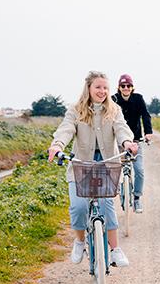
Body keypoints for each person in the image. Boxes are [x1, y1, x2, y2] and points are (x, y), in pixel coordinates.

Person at [47, 71, 139, 266]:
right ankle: (80, 241)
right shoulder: (76, 110)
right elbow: (66, 129)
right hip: (81, 164)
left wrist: (128, 143)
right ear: (88, 88)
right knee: (79, 206)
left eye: (105, 87)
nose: (102, 91)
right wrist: (57, 145)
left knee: (107, 207)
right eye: (98, 87)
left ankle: (115, 249)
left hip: (108, 163)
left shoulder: (114, 110)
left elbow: (121, 129)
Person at [111, 74, 153, 213]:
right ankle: (114, 192)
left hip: (135, 140)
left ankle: (136, 198)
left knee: (139, 170)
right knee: (113, 168)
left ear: (132, 87)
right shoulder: (113, 100)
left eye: (128, 86)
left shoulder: (138, 98)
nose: (126, 88)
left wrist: (148, 132)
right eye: (123, 86)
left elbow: (145, 115)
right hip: (118, 141)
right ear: (119, 87)